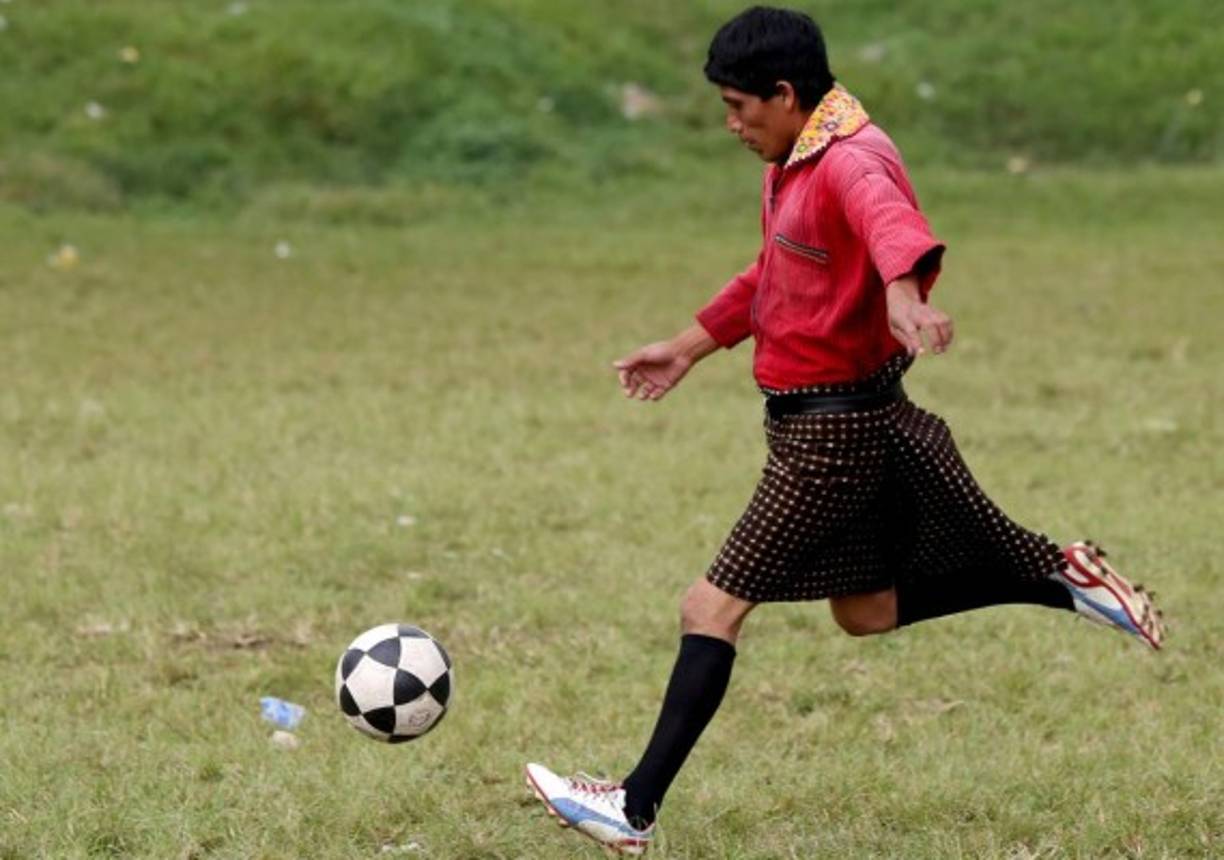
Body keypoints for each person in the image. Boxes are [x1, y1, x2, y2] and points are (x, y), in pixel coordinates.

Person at [524, 6, 1165, 855]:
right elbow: (775, 269)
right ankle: (1062, 578)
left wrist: (904, 294)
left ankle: (632, 809)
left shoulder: (852, 161)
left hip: (832, 438)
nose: (731, 124)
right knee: (864, 613)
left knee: (707, 607)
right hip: (839, 419)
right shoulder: (798, 154)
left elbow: (889, 225)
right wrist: (686, 348)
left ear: (786, 94)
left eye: (739, 107)